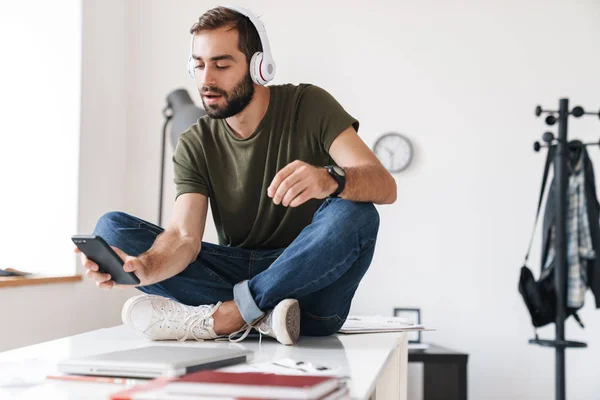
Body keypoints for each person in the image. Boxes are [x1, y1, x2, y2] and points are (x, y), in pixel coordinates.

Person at [76, 5, 396, 346]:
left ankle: (231, 316)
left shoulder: (309, 104)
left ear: (259, 66)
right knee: (111, 229)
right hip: (236, 273)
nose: (206, 80)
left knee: (357, 213)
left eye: (222, 64)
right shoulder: (195, 142)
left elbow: (384, 185)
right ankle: (261, 314)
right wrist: (146, 266)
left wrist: (329, 178)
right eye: (198, 65)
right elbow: (184, 235)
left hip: (310, 292)